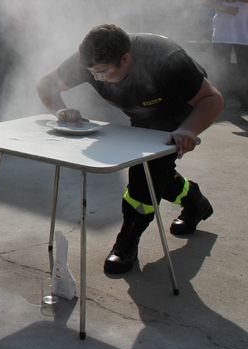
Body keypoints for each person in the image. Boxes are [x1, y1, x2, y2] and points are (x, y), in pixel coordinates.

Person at [37, 24, 224, 274]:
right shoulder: (90, 60)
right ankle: (195, 202)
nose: (96, 78)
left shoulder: (168, 61)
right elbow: (46, 83)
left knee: (143, 179)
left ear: (126, 59)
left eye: (103, 73)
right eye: (91, 72)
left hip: (179, 112)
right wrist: (60, 109)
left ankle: (127, 242)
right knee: (157, 175)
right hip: (142, 114)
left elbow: (212, 99)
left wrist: (188, 130)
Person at [203, 0, 248, 110]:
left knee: (244, 69)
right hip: (222, 33)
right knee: (221, 68)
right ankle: (222, 100)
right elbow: (207, 0)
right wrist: (223, 9)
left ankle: (245, 102)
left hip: (244, 34)